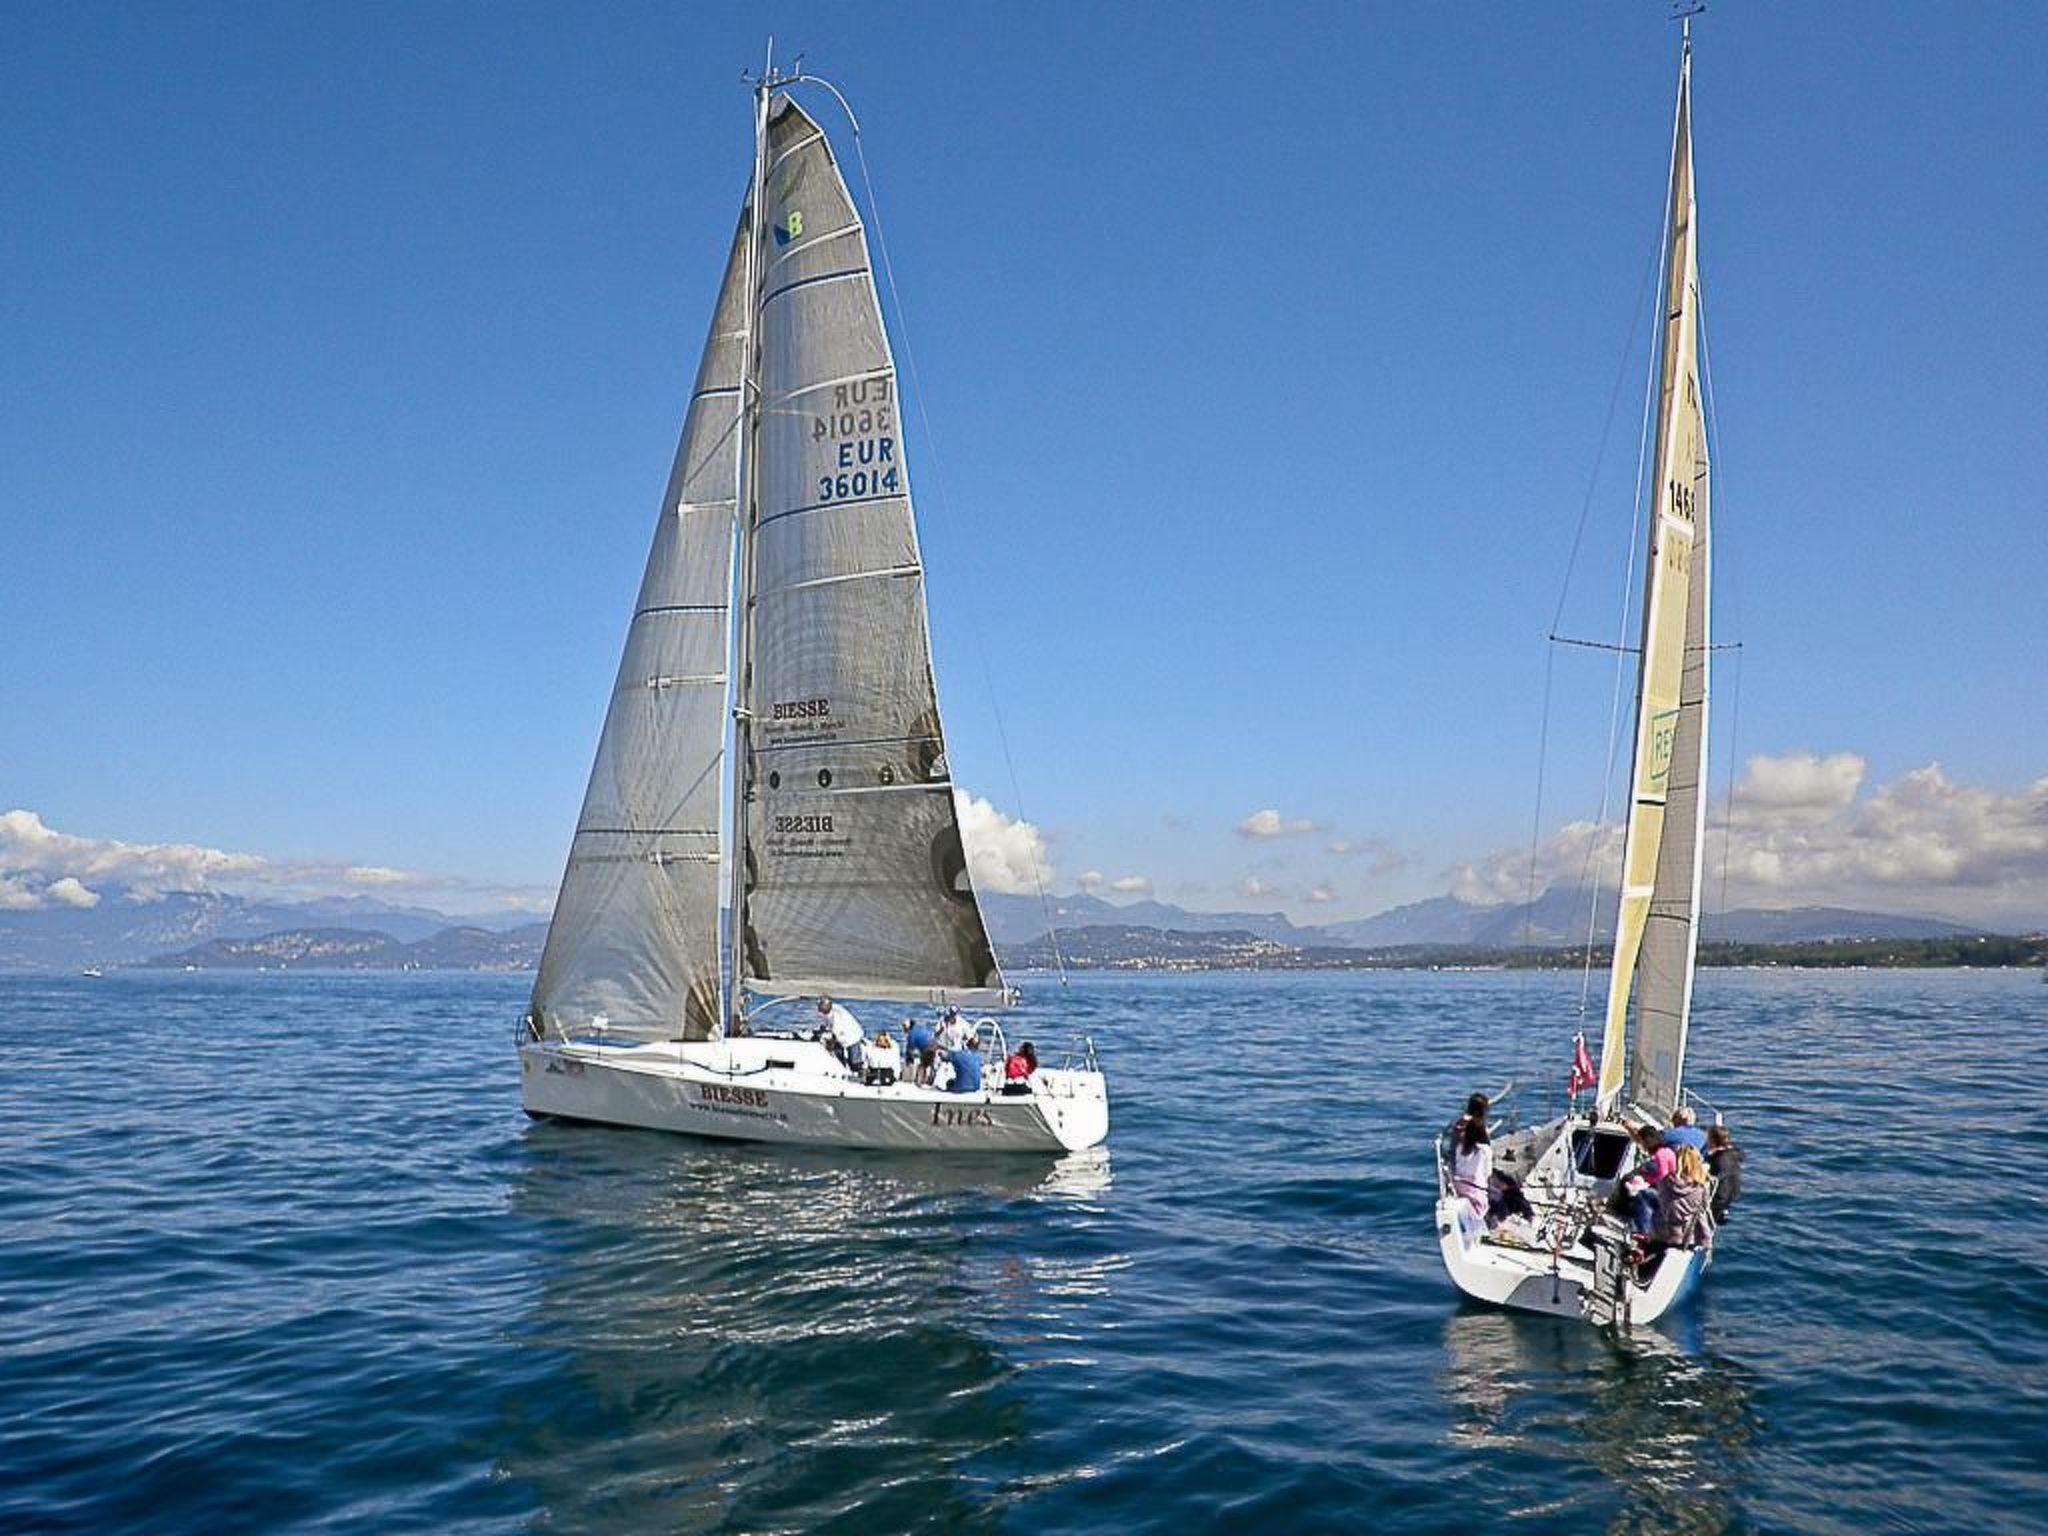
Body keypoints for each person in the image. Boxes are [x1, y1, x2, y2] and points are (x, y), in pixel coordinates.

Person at [1623, 1124, 1677, 1236]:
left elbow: (1663, 1176)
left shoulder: (1660, 1154)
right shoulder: (1667, 1151)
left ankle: (1642, 1231)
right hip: (1670, 1190)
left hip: (1667, 1193)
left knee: (1640, 1195)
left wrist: (1647, 1181)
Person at [1657, 1145, 1714, 1249]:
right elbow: (1704, 1207)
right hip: (1690, 1235)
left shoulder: (1664, 1182)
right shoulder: (1701, 1186)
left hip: (1665, 1232)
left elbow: (1661, 1202)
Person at [1449, 1109, 1492, 1226]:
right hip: (1476, 1192)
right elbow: (1488, 1173)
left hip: (1459, 1187)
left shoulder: (1459, 1147)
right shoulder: (1484, 1150)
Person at [1706, 1123, 1743, 1224]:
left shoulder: (1719, 1159)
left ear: (1713, 1140)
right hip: (1732, 1193)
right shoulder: (1733, 1154)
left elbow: (1716, 1177)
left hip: (1720, 1197)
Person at [817, 995, 864, 1073]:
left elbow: (836, 1032)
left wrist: (831, 1043)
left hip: (852, 1036)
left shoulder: (837, 1016)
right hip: (846, 1035)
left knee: (854, 1060)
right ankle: (844, 1067)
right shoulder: (834, 1010)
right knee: (841, 1052)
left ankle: (857, 1073)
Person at [905, 1015, 938, 1086]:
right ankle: (930, 1079)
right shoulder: (920, 1028)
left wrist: (909, 1059)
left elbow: (910, 1049)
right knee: (930, 1062)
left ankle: (919, 1083)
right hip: (934, 1044)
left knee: (922, 1065)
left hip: (927, 1047)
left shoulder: (911, 1034)